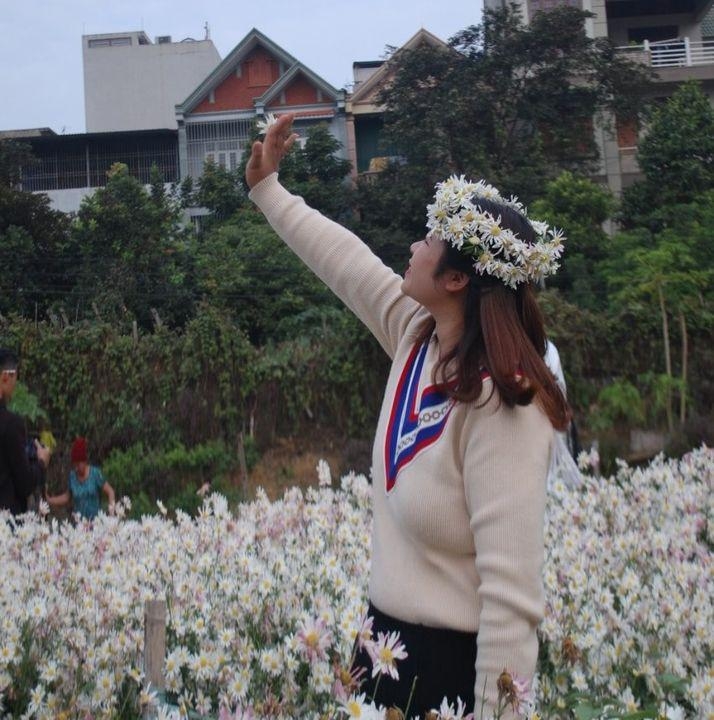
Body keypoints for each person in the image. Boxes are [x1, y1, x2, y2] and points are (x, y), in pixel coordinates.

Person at [246, 114, 570, 719]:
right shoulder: (416, 338)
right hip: (379, 653)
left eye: (430, 240)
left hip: (452, 677)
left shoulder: (505, 405)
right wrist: (268, 189)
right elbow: (344, 261)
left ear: (456, 278)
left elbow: (511, 601)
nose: (415, 246)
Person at [0, 349, 51, 515]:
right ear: (5, 377)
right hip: (6, 521)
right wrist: (41, 462)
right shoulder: (11, 424)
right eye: (15, 377)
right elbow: (25, 483)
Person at [46, 436, 115, 519]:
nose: (76, 468)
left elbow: (110, 491)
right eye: (74, 465)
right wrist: (50, 500)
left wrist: (111, 513)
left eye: (78, 464)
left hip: (95, 521)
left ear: (84, 461)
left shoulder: (95, 473)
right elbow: (67, 497)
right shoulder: (72, 476)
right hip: (78, 522)